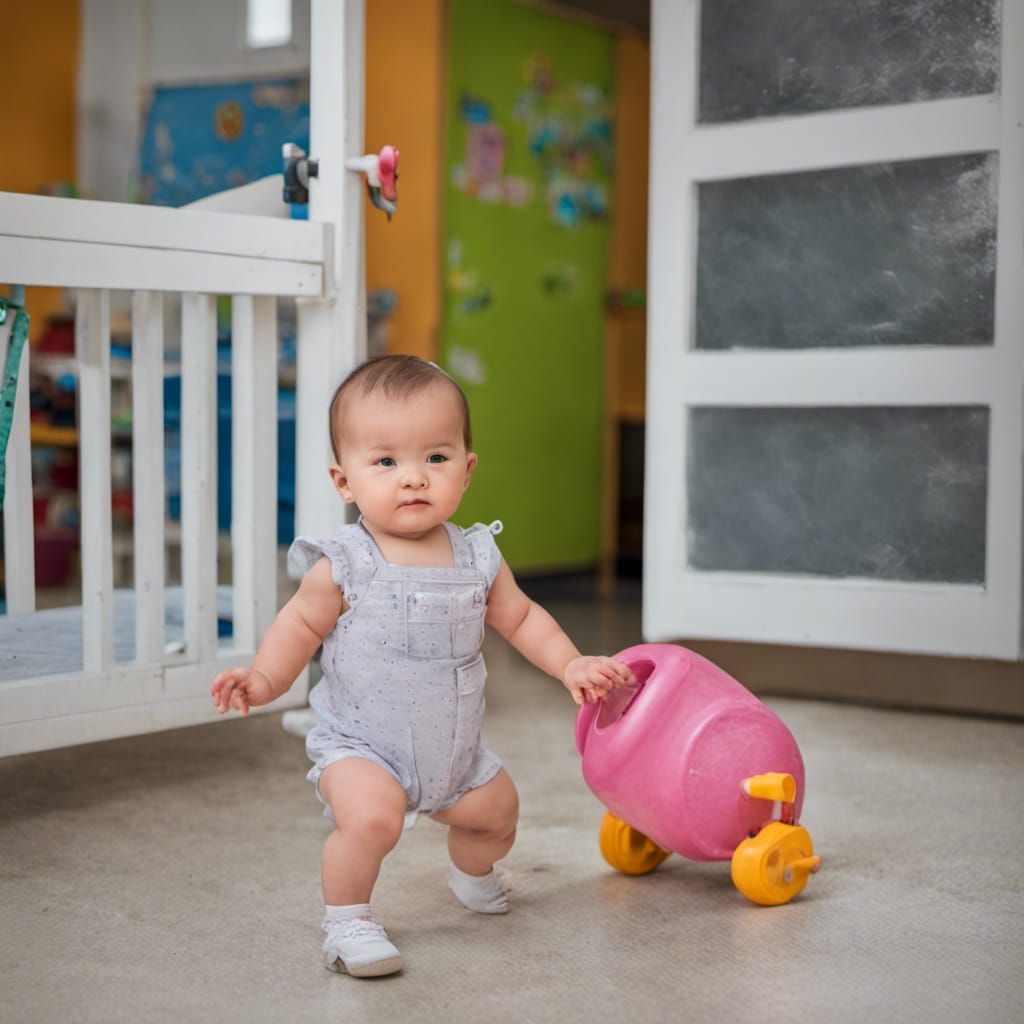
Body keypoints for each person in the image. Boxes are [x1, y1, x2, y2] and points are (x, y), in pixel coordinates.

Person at [210, 355, 635, 978]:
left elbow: (521, 619)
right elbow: (299, 626)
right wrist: (264, 679)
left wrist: (570, 663)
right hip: (362, 745)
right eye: (386, 462)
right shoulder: (346, 562)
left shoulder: (478, 556)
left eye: (435, 458)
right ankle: (348, 921)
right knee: (372, 821)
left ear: (466, 470)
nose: (413, 478)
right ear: (344, 481)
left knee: (497, 814)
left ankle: (472, 874)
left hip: (453, 751)